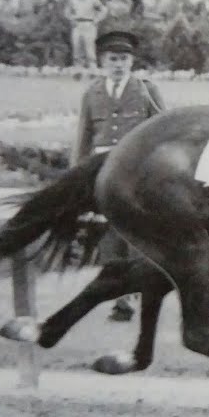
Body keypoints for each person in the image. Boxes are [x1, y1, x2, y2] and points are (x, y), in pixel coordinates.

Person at [72, 30, 166, 321]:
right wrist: (78, 178)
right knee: (108, 233)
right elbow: (83, 137)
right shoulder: (92, 93)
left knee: (137, 233)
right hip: (101, 171)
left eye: (124, 59)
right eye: (113, 59)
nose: (118, 64)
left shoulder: (146, 89)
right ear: (102, 61)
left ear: (132, 61)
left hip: (136, 171)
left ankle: (141, 293)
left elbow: (164, 130)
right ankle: (120, 299)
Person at [66, 0, 107, 69]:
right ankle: (78, 68)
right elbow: (67, 11)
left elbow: (103, 10)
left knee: (89, 46)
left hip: (89, 23)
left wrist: (97, 20)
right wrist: (71, 19)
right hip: (77, 24)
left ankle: (92, 68)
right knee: (76, 46)